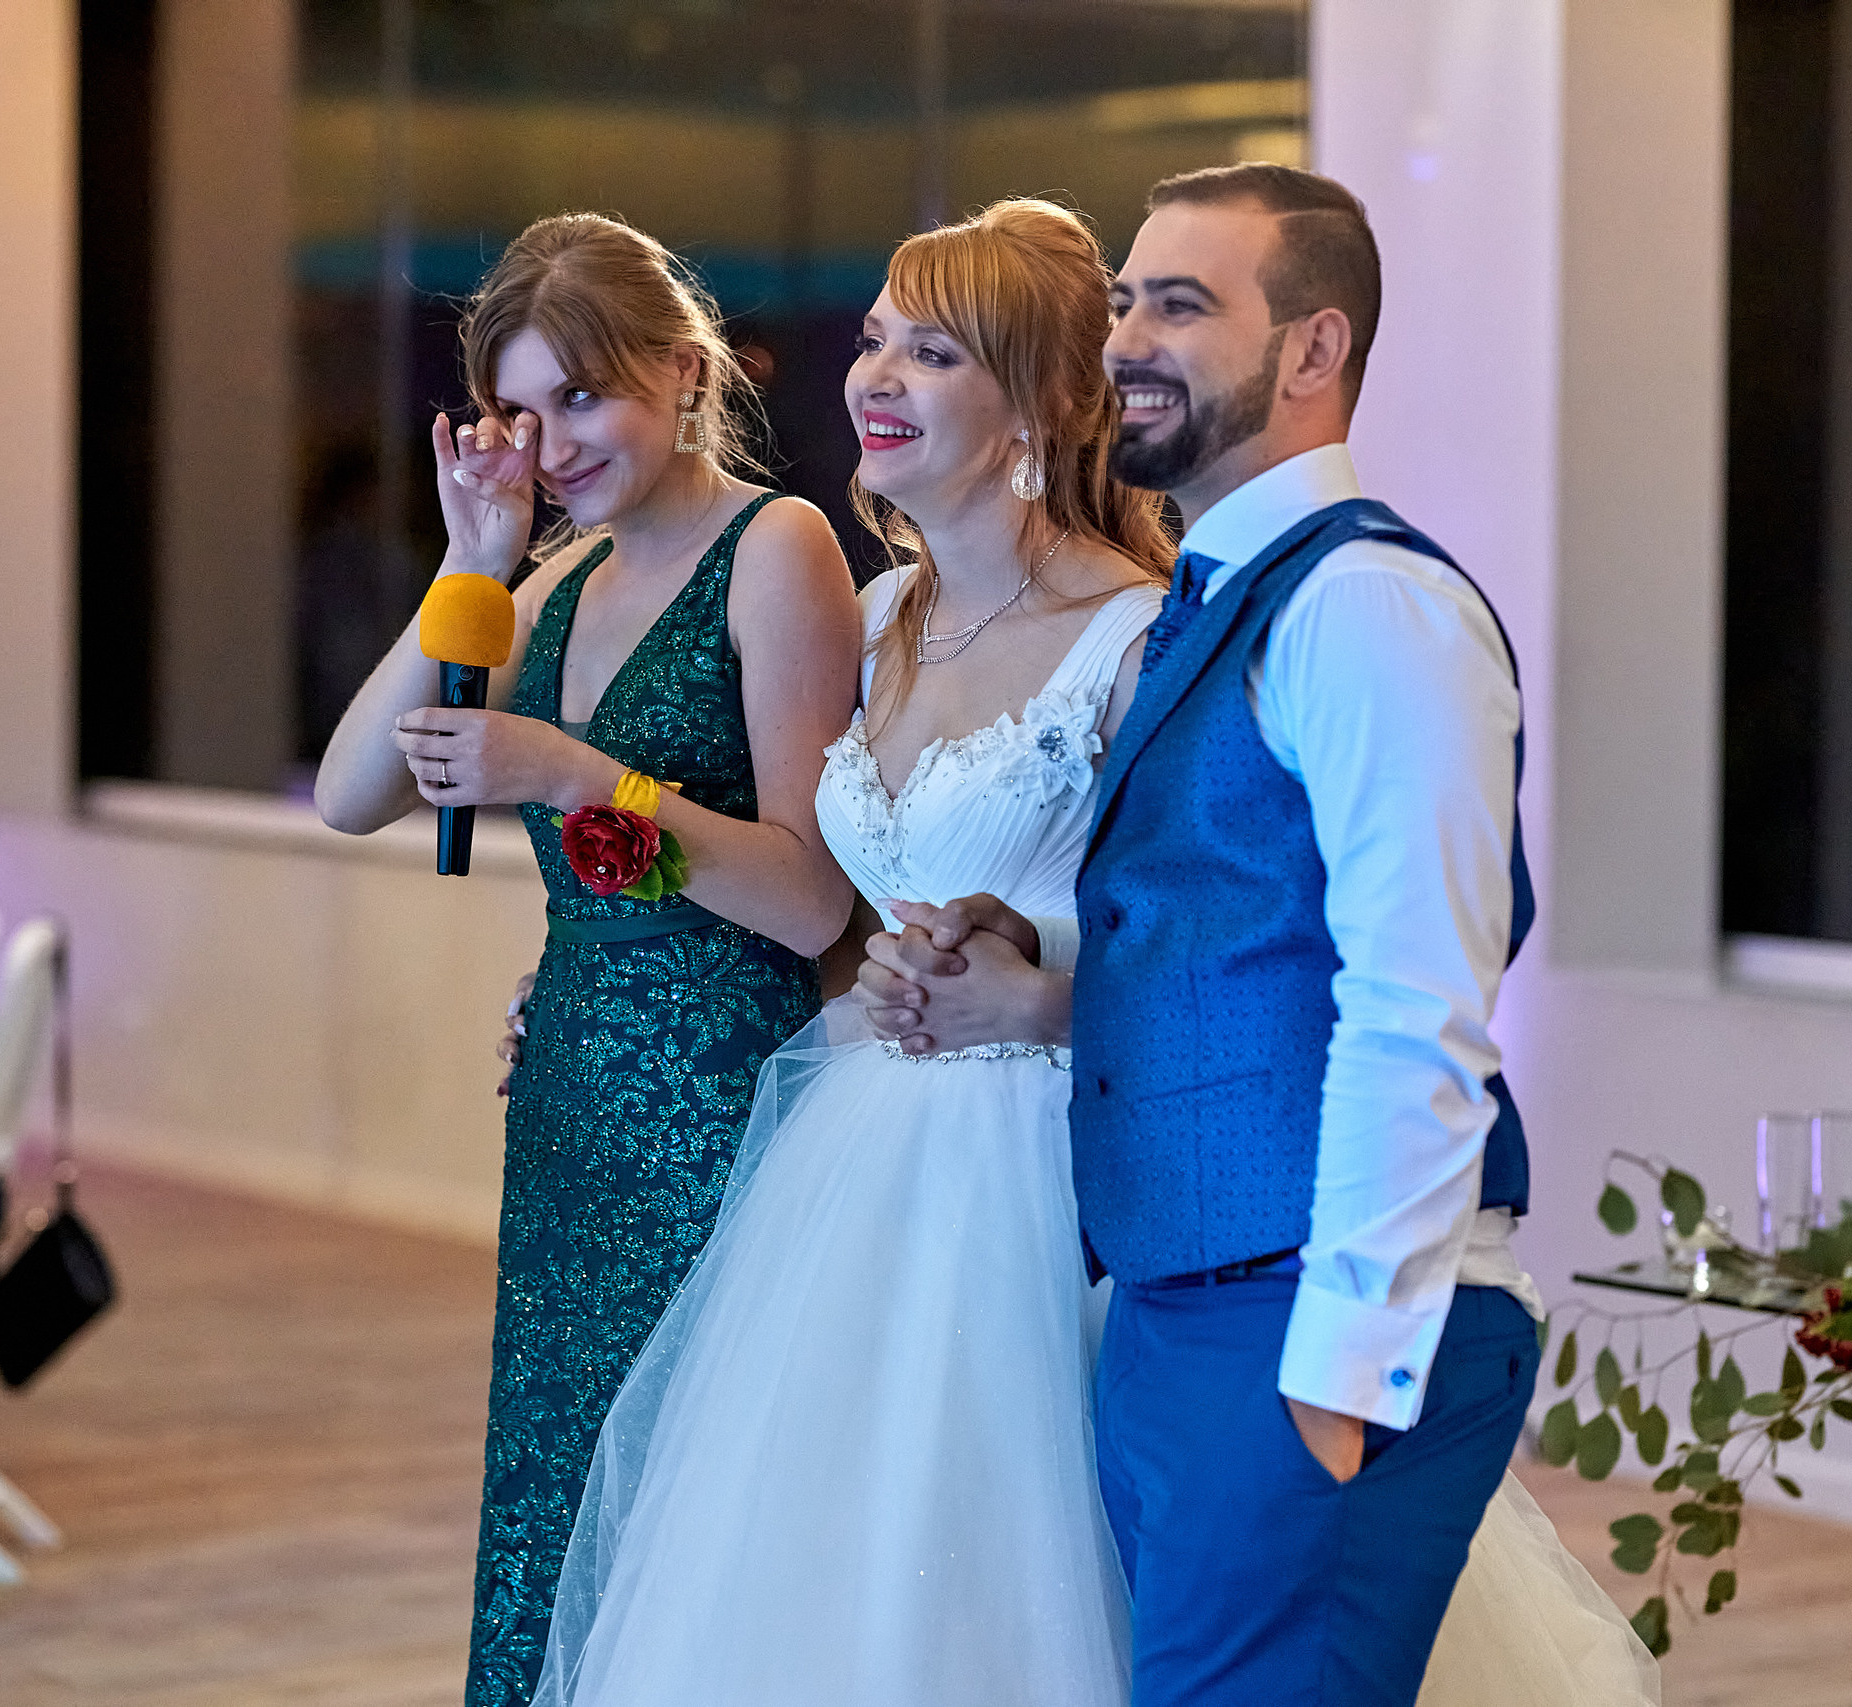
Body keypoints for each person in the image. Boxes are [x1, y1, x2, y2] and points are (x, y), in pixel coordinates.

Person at [862, 165, 1630, 1704]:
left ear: (1310, 352)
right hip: (1179, 1308)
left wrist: (1335, 1384)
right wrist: (1049, 975)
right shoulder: (1220, 594)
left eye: (1184, 305)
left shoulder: (1368, 606)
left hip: (1299, 1323)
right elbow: (1252, 942)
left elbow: (1419, 1002)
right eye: (1128, 299)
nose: (1128, 339)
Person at [531, 197, 1171, 1705]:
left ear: (1040, 404)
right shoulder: (878, 617)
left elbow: (1202, 942)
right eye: (876, 338)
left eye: (932, 351)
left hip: (1047, 1172)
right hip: (864, 1155)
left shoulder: (1136, 636)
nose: (874, 376)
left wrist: (1045, 979)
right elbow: (825, 901)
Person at [313, 213, 862, 1707]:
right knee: (568, 1508)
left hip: (727, 1106)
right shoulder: (546, 587)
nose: (551, 444)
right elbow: (349, 791)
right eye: (519, 410)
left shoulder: (779, 548)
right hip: (572, 1118)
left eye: (584, 397)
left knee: (710, 1506)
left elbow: (817, 898)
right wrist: (469, 558)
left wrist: (573, 773)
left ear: (682, 374)